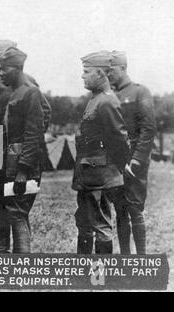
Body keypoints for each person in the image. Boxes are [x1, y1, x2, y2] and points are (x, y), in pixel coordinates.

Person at [0, 40, 51, 253]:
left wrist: (23, 171)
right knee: (5, 209)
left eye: (4, 68)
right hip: (4, 160)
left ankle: (22, 267)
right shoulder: (13, 89)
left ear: (18, 68)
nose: (1, 73)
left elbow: (34, 133)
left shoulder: (30, 91)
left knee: (17, 213)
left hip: (20, 164)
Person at [73, 51, 129, 254]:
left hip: (100, 174)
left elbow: (119, 140)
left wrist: (116, 168)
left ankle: (100, 279)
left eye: (86, 72)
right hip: (90, 172)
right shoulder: (96, 99)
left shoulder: (107, 101)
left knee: (100, 224)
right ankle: (85, 270)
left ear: (99, 73)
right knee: (85, 222)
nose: (83, 76)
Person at [108, 51, 156, 254]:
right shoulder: (109, 96)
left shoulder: (140, 92)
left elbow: (148, 129)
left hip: (135, 161)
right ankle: (126, 259)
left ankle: (141, 260)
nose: (108, 75)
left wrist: (137, 160)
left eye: (111, 71)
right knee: (120, 211)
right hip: (116, 163)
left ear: (123, 68)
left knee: (135, 209)